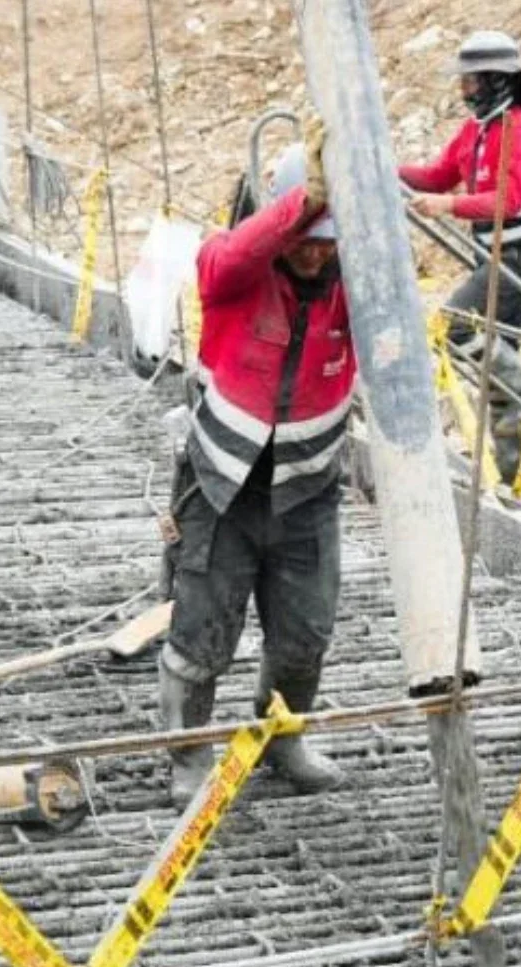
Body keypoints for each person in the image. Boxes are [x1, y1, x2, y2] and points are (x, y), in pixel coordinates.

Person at [157, 125, 351, 808]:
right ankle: (188, 755)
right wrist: (301, 206)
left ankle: (281, 738)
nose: (316, 251)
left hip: (307, 489)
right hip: (222, 486)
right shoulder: (236, 271)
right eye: (305, 237)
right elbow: (223, 258)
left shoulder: (353, 285)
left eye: (329, 239)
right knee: (201, 631)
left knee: (305, 634)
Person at [400, 30, 521, 470]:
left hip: (519, 258)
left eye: (470, 81)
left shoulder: (517, 130)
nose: (464, 90)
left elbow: (506, 200)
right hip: (490, 255)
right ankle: (513, 467)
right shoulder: (476, 129)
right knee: (496, 360)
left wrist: (448, 206)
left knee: (457, 327)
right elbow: (437, 176)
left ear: (495, 80)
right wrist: (385, 166)